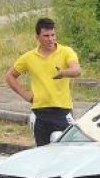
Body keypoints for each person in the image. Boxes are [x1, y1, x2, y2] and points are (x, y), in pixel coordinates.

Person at [5, 17, 81, 146]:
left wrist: (64, 73)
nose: (50, 39)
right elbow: (10, 76)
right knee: (42, 151)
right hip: (40, 112)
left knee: (65, 150)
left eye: (53, 35)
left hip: (62, 111)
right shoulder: (29, 57)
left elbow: (76, 70)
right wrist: (26, 95)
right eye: (46, 36)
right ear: (37, 37)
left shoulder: (66, 52)